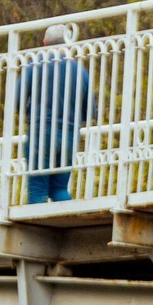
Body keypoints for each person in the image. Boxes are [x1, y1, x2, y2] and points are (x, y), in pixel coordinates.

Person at [20, 24, 92, 205]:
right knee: (59, 189)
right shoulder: (80, 72)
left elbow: (18, 99)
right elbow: (90, 109)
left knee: (38, 188)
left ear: (44, 43)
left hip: (40, 133)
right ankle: (69, 222)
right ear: (68, 44)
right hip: (69, 135)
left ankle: (35, 230)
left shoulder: (35, 66)